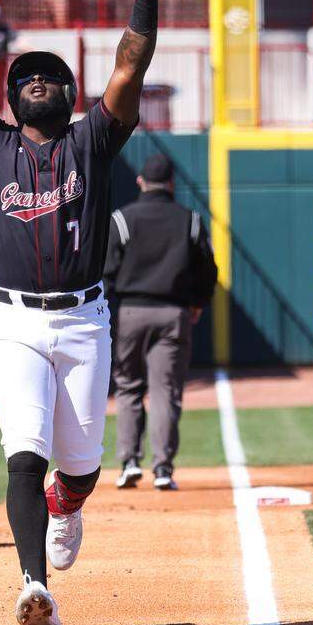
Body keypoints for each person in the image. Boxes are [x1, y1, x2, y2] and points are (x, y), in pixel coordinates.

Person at [0, 0, 162, 625]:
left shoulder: (91, 141)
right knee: (23, 452)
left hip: (85, 320)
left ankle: (68, 503)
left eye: (50, 75)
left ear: (66, 93)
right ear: (13, 95)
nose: (38, 79)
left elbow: (130, 67)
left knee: (82, 469)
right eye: (26, 75)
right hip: (13, 323)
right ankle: (34, 585)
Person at [103, 155, 217, 491]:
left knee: (128, 388)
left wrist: (111, 310)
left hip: (131, 312)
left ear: (140, 182)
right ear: (171, 183)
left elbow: (105, 272)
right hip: (173, 313)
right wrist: (198, 303)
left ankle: (129, 463)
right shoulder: (191, 220)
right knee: (165, 391)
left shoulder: (122, 219)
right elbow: (209, 271)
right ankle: (163, 469)